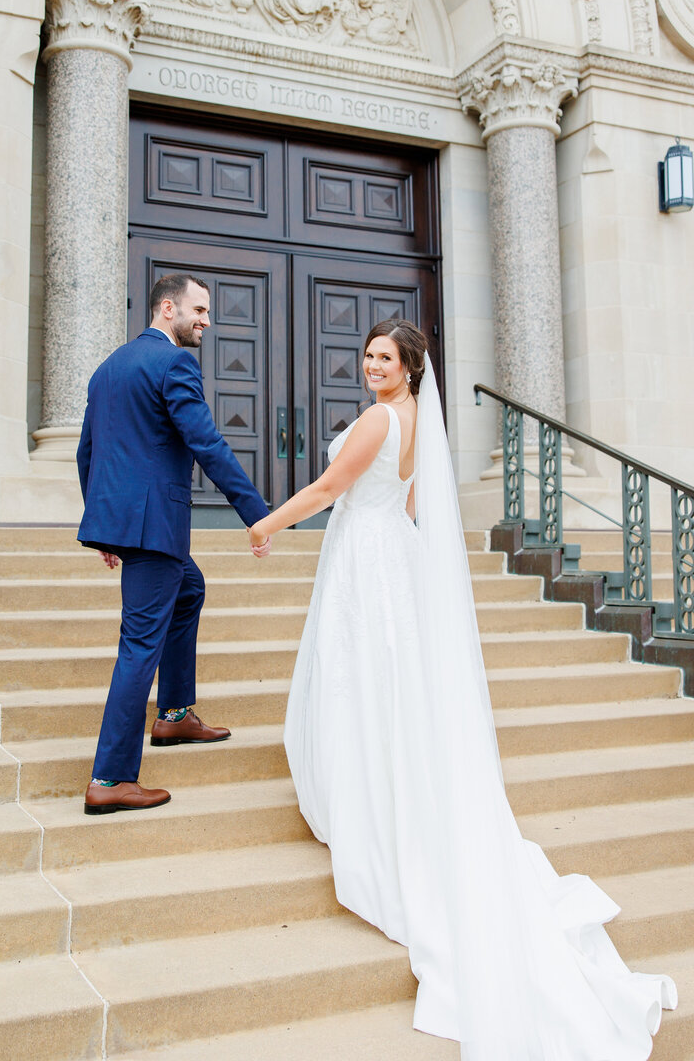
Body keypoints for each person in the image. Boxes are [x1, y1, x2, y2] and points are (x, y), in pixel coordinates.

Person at [249, 318, 677, 1060]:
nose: (371, 365)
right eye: (369, 355)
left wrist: (267, 525)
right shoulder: (415, 422)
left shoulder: (383, 417)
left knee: (356, 679)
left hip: (364, 557)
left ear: (410, 368)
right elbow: (409, 501)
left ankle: (364, 795)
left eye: (385, 358)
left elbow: (328, 487)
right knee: (377, 680)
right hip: (386, 554)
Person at [77, 273, 269, 816]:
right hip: (156, 525)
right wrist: (258, 515)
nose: (206, 320)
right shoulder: (175, 363)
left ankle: (176, 713)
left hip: (132, 523)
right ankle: (111, 777)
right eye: (199, 310)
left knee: (190, 589)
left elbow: (88, 452)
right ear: (168, 309)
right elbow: (204, 441)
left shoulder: (108, 366)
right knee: (139, 645)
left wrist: (105, 528)